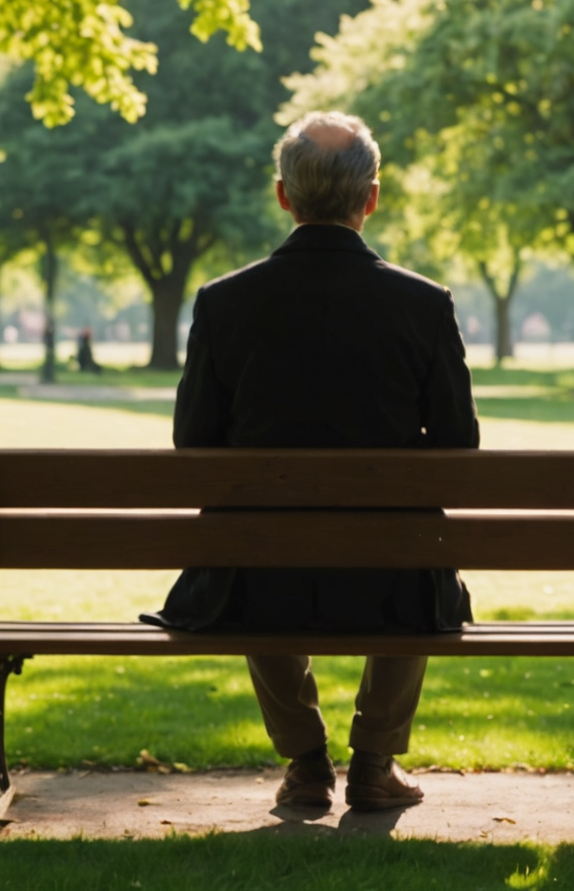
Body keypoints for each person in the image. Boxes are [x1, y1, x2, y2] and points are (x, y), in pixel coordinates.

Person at [143, 111, 479, 816]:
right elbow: (458, 446)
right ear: (372, 197)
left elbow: (193, 443)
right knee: (417, 544)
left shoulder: (224, 303)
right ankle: (375, 761)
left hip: (258, 580)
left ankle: (305, 764)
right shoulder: (423, 305)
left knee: (245, 540)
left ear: (283, 196)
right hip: (393, 582)